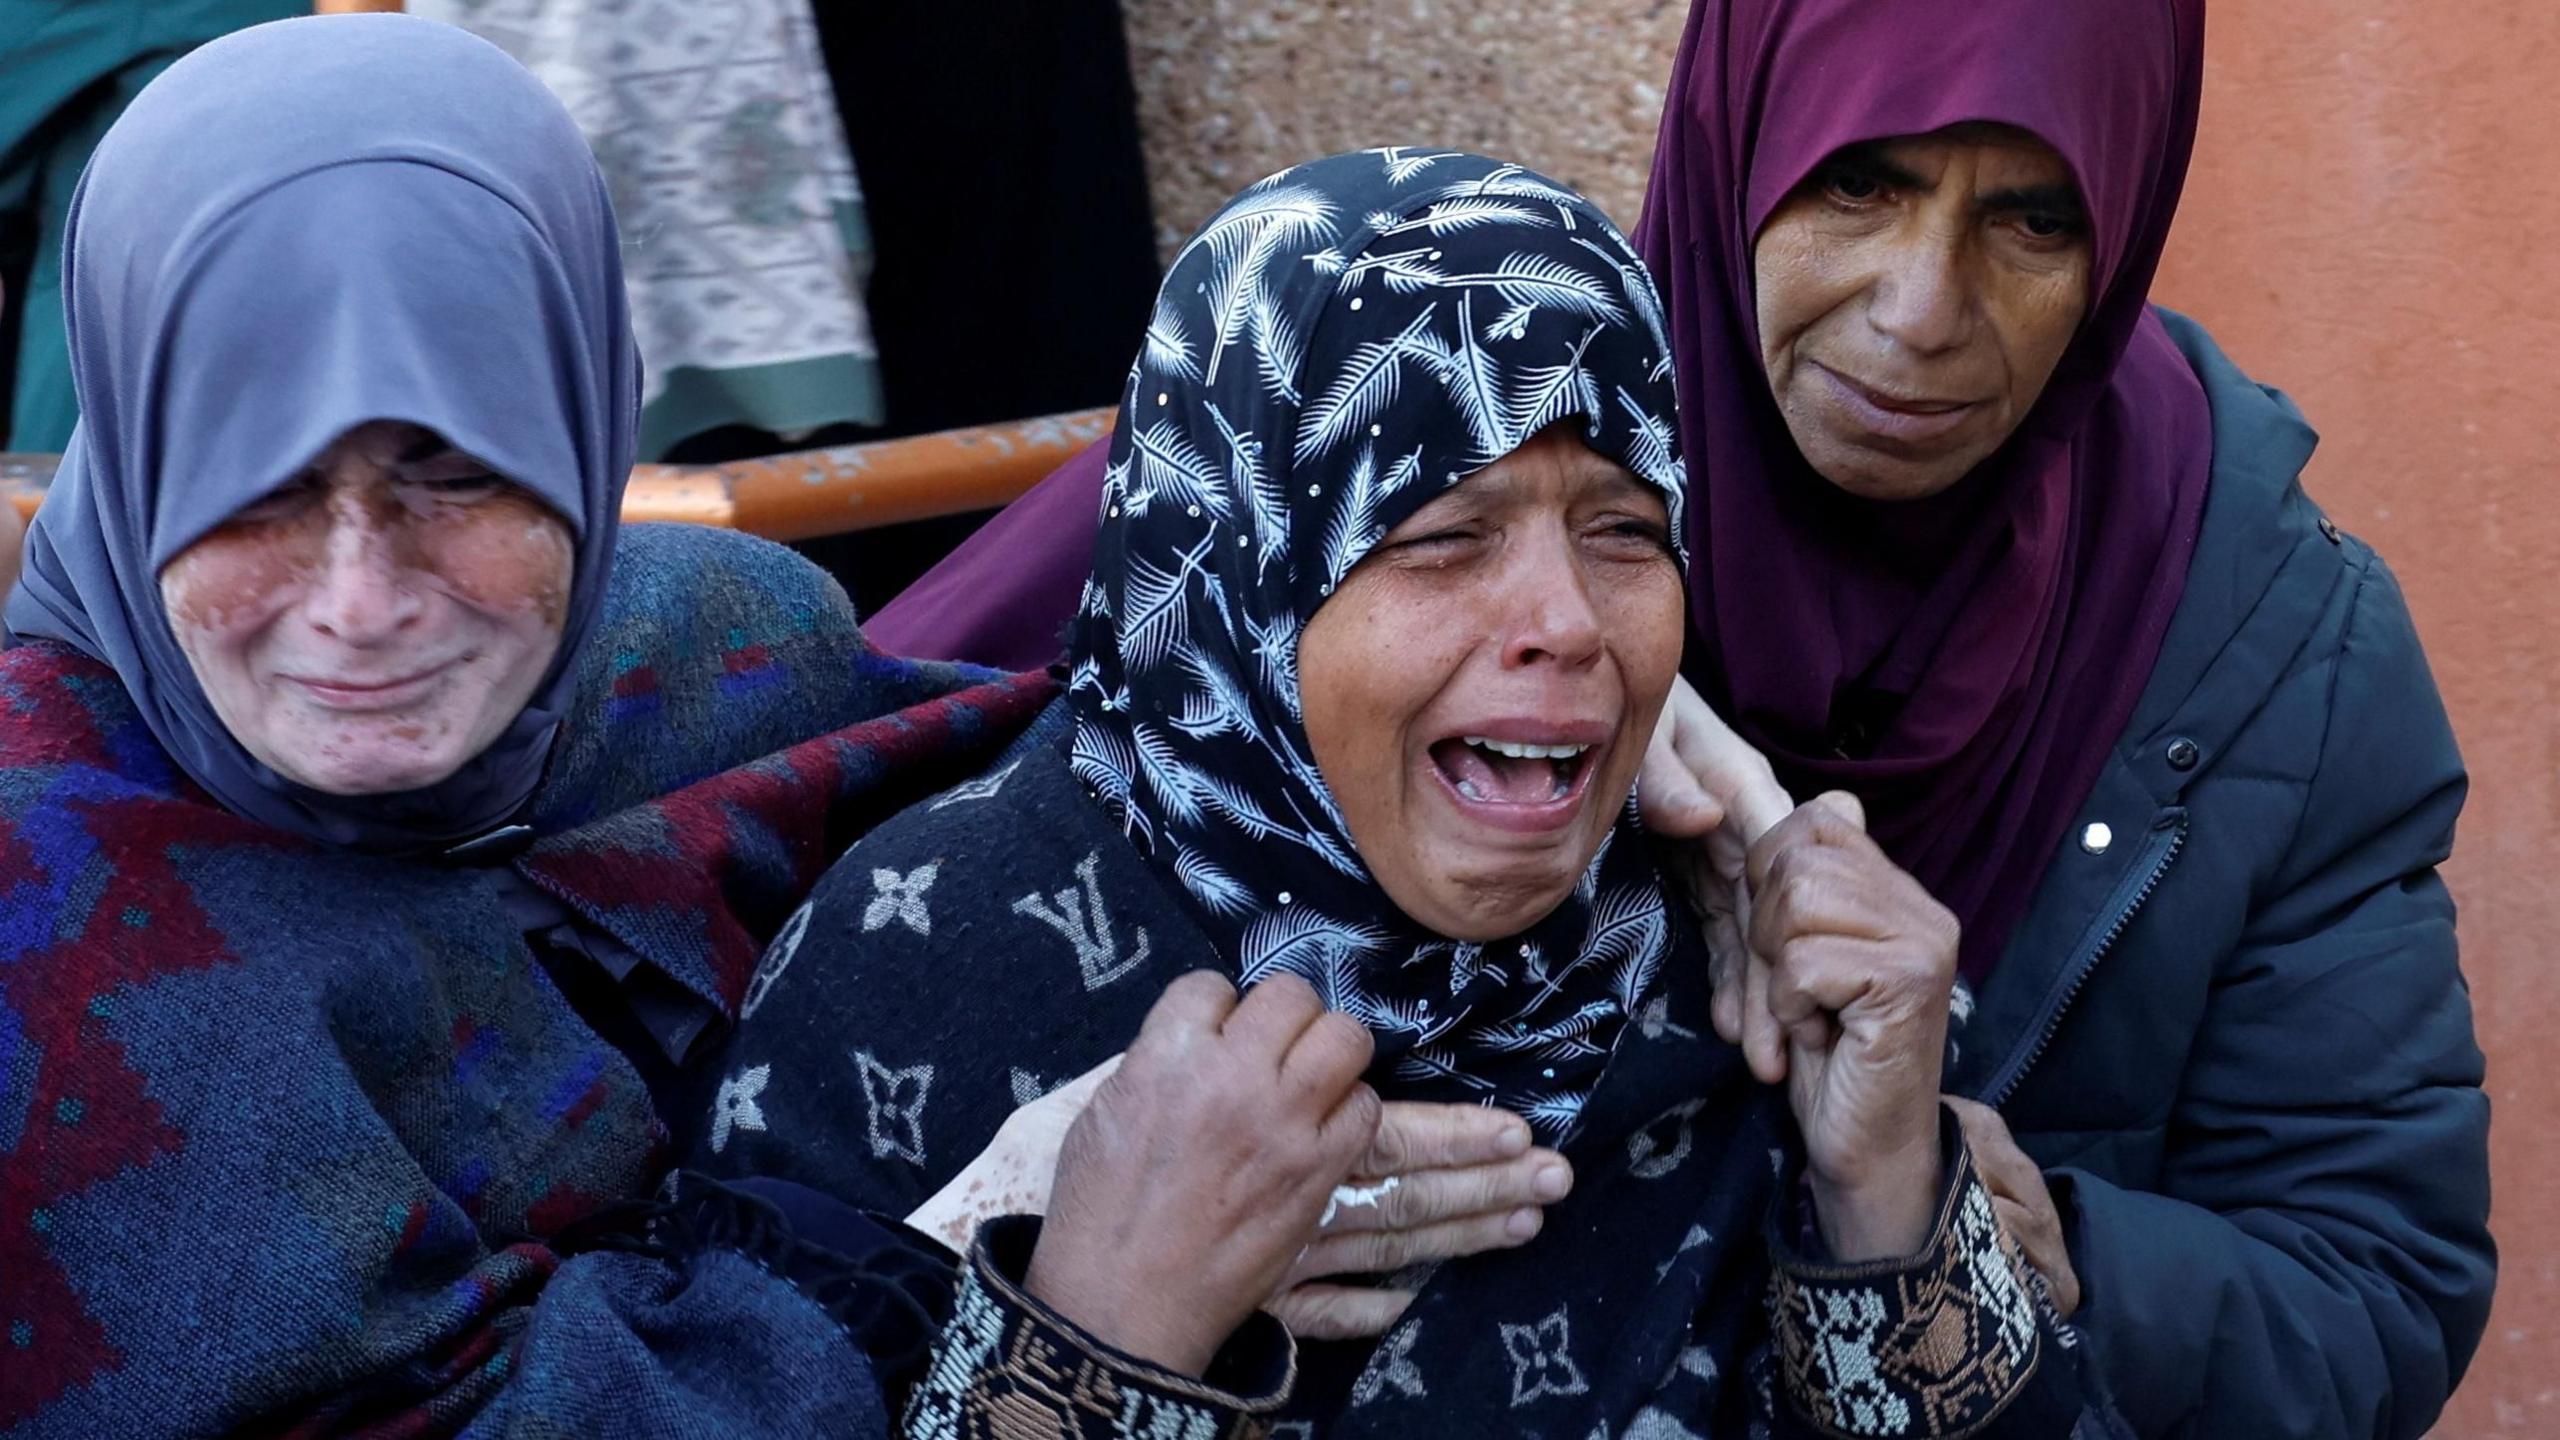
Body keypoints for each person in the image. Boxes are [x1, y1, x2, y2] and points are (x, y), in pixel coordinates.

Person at [862, 5, 2497, 1434]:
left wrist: (1987, 1232)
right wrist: (1091, 1303)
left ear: (2127, 226)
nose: (1923, 309)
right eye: (1861, 181)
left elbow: (2374, 1286)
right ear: (1741, 137)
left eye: (2032, 218)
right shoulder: (1448, 388)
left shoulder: (2269, 644)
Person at [0, 17, 1380, 1435]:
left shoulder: (697, 646)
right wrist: (1047, 1277)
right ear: (142, 459)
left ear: (583, 426)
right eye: (253, 490)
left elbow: (1061, 776)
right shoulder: (51, 931)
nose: (358, 603)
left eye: (459, 476)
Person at [704, 149, 2095, 1438]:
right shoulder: (924, 966)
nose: (1567, 620)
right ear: (1239, 567)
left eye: (1624, 530)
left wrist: (1885, 1197)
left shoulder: (1740, 981)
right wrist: (1103, 1331)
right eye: (1439, 537)